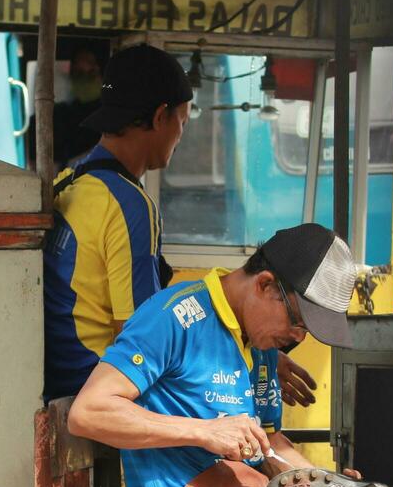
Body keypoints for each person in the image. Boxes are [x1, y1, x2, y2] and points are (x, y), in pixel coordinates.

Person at [67, 223, 393, 487]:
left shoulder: (262, 347)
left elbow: (270, 445)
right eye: (298, 323)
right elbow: (88, 412)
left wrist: (326, 485)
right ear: (265, 285)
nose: (299, 338)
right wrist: (205, 431)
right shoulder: (172, 318)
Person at [42, 44, 321, 408]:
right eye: (184, 122)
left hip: (55, 379)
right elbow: (146, 337)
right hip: (95, 388)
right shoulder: (129, 206)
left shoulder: (69, 181)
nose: (181, 135)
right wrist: (246, 364)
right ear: (161, 117)